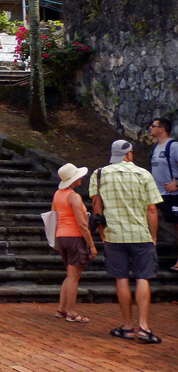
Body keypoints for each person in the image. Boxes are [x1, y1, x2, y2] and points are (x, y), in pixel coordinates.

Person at [89, 140, 163, 344]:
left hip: (114, 235)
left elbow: (97, 208)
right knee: (143, 278)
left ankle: (128, 326)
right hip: (140, 234)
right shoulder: (144, 174)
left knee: (121, 279)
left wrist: (103, 234)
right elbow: (152, 209)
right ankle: (144, 327)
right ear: (129, 154)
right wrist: (153, 236)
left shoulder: (100, 174)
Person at [52, 163, 96, 323]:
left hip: (62, 235)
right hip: (74, 237)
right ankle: (71, 312)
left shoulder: (58, 194)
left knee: (69, 275)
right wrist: (91, 244)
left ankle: (62, 308)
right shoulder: (73, 197)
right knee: (74, 277)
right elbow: (82, 224)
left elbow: (55, 214)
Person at [148, 117, 178, 272]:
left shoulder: (173, 146)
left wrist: (176, 184)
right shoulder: (157, 147)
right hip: (157, 194)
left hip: (172, 194)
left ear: (162, 129)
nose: (150, 128)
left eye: (153, 126)